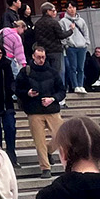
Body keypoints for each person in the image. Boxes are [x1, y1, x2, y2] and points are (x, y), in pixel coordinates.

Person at [16, 45, 65, 178]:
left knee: (61, 135)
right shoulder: (25, 72)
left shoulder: (52, 72)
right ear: (33, 56)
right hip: (34, 110)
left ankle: (49, 151)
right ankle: (45, 168)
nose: (41, 60)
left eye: (43, 57)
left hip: (52, 109)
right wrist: (27, 93)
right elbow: (17, 89)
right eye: (38, 57)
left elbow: (62, 91)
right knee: (39, 141)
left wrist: (52, 99)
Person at [31, 2, 71, 91]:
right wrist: (70, 31)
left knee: (46, 72)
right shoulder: (54, 22)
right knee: (59, 72)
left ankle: (48, 91)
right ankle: (59, 92)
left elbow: (36, 37)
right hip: (56, 50)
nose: (55, 12)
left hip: (44, 51)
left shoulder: (37, 23)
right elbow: (60, 35)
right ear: (47, 11)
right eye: (53, 10)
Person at [60, 3, 91, 95]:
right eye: (69, 7)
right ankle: (75, 85)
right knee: (73, 67)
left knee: (81, 67)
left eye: (73, 7)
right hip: (71, 47)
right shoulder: (63, 21)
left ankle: (81, 85)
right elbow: (62, 35)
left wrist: (86, 42)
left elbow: (86, 32)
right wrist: (66, 45)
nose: (72, 9)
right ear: (66, 9)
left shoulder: (81, 20)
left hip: (82, 46)